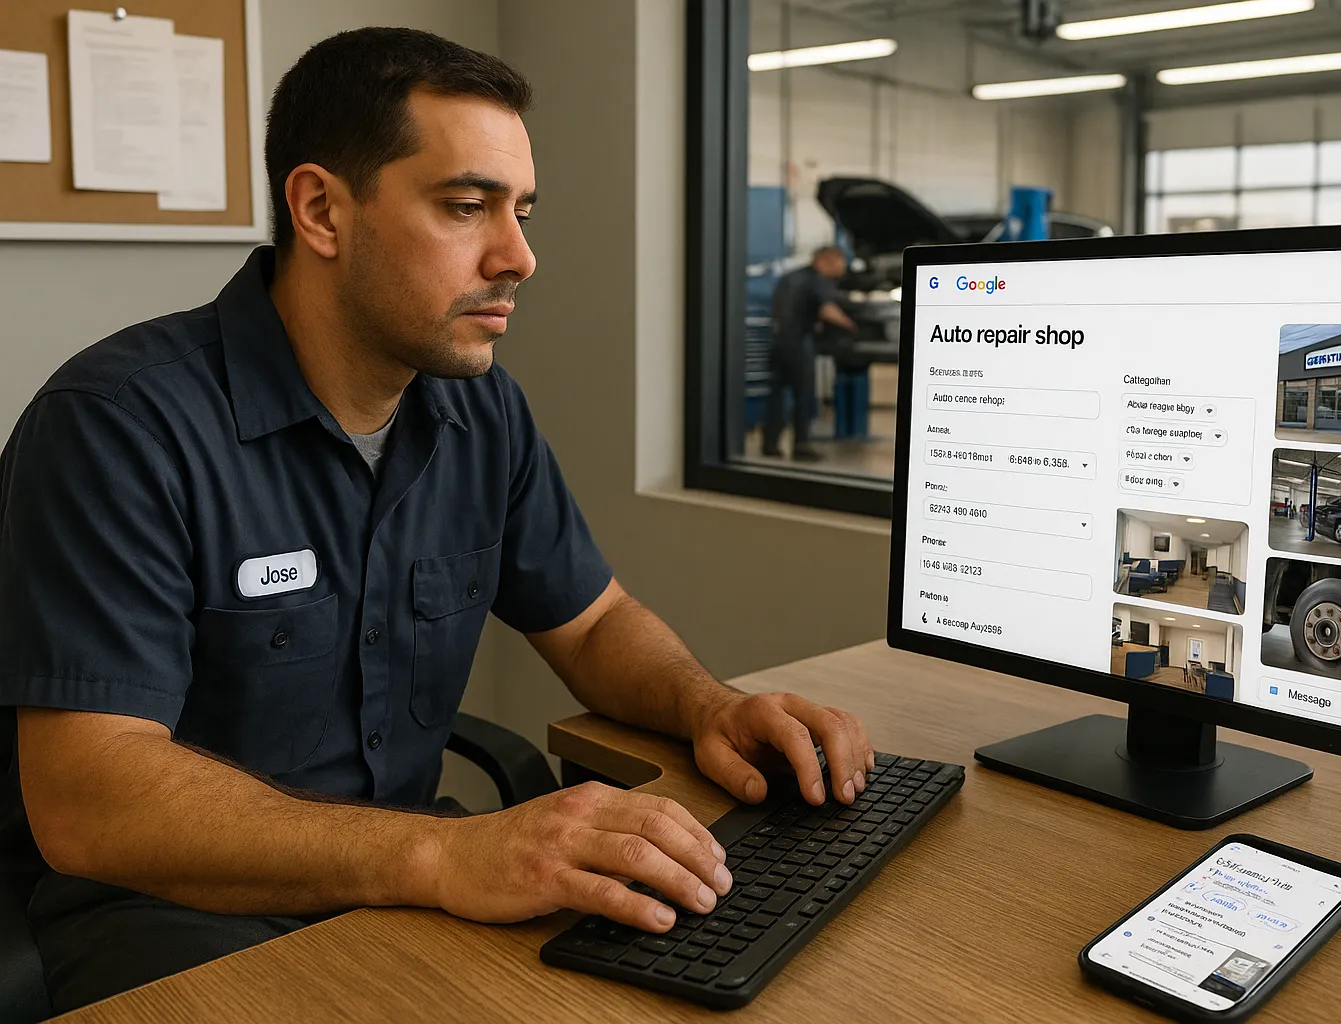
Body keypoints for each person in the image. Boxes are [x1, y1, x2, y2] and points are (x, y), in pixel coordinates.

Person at [0, 28, 874, 1013]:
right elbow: (92, 802)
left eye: (522, 211)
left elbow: (591, 621)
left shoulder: (480, 411)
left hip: (411, 881)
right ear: (322, 209)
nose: (521, 256)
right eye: (468, 207)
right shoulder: (119, 427)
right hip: (175, 914)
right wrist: (447, 849)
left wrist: (706, 707)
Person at [761, 245, 858, 461]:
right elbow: (826, 309)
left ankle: (770, 445)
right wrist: (852, 325)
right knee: (803, 395)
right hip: (799, 343)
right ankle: (801, 446)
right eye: (841, 262)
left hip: (777, 342)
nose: (843, 268)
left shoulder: (789, 277)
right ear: (827, 260)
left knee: (776, 394)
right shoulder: (816, 280)